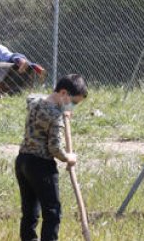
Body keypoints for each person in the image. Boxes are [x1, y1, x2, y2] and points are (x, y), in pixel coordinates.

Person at [16, 74, 87, 241]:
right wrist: (68, 158)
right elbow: (55, 148)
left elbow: (32, 96)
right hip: (41, 166)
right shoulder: (55, 117)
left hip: (23, 161)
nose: (72, 106)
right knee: (52, 212)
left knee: (30, 212)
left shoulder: (34, 103)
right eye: (73, 102)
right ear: (63, 93)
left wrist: (63, 110)